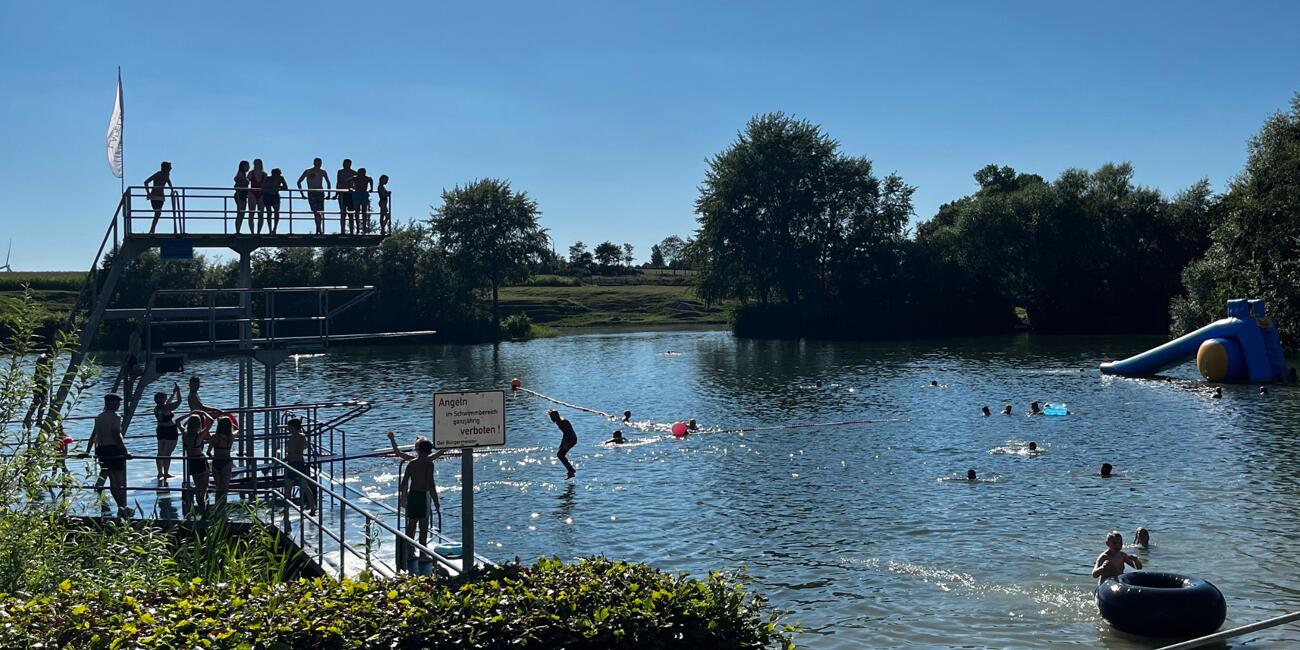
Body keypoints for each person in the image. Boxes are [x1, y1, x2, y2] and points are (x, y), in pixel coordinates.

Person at [87, 394, 131, 516]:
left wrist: (87, 450)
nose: (118, 405)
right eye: (117, 403)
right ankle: (123, 506)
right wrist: (125, 452)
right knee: (119, 481)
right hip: (113, 449)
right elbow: (116, 434)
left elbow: (93, 435)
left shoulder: (99, 417)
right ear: (110, 403)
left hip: (101, 449)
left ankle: (121, 506)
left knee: (112, 480)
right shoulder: (116, 417)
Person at [399, 439, 438, 563]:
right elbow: (431, 484)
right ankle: (422, 553)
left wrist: (403, 497)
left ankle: (409, 552)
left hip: (413, 494)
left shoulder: (411, 463)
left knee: (411, 524)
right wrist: (436, 501)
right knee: (423, 526)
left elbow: (404, 483)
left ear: (418, 450)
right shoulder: (429, 464)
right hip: (423, 495)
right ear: (428, 452)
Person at [181, 413, 211, 517]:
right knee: (204, 488)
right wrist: (203, 413)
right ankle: (205, 509)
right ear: (198, 424)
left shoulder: (185, 433)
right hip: (200, 460)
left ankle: (202, 509)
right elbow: (211, 421)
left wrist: (188, 415)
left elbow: (177, 422)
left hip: (191, 461)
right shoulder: (199, 435)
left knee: (198, 487)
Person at [284, 418, 316, 515]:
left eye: (289, 427)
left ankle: (286, 508)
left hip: (292, 464)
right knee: (305, 486)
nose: (288, 429)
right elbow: (305, 446)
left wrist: (280, 462)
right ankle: (313, 507)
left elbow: (289, 455)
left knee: (288, 487)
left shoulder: (291, 440)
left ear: (292, 427)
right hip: (301, 463)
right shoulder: (303, 437)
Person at [153, 383, 182, 480]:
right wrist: (178, 392)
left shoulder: (157, 408)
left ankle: (159, 472)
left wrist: (173, 394)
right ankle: (166, 473)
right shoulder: (167, 407)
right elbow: (179, 402)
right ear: (161, 399)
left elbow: (167, 403)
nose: (166, 397)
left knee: (160, 452)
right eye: (164, 397)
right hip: (170, 430)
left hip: (160, 429)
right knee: (167, 453)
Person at [297, 158, 332, 234]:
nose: (319, 165)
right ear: (314, 163)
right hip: (311, 192)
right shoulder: (308, 171)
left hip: (320, 192)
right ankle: (318, 229)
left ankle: (318, 229)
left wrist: (329, 194)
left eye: (320, 163)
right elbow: (299, 182)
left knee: (320, 212)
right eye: (317, 163)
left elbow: (328, 182)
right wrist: (302, 194)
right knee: (315, 212)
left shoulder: (323, 172)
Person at [210, 416, 235, 512]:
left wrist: (213, 457)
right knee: (225, 488)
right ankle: (223, 508)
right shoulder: (231, 437)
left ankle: (217, 508)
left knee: (218, 487)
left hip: (216, 461)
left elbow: (208, 452)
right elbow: (237, 428)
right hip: (226, 462)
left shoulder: (214, 437)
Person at [22, 352, 52, 430]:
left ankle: (38, 420)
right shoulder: (43, 358)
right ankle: (28, 419)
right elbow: (46, 371)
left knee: (43, 401)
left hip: (42, 381)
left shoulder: (43, 358)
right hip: (40, 382)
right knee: (38, 401)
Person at [144, 162, 174, 234]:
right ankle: (152, 229)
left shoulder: (167, 175)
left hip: (160, 197)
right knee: (157, 213)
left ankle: (152, 229)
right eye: (169, 167)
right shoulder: (158, 174)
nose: (171, 168)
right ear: (166, 168)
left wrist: (172, 190)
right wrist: (148, 193)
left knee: (158, 214)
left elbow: (168, 182)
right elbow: (146, 182)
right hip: (155, 196)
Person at [548, 409, 578, 479]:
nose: (551, 419)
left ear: (556, 416)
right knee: (560, 455)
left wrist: (564, 443)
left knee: (560, 455)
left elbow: (567, 433)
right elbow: (565, 433)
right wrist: (562, 443)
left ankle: (571, 470)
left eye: (552, 417)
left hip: (571, 439)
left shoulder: (563, 422)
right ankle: (571, 470)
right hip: (569, 439)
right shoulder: (558, 422)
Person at [261, 168, 288, 234]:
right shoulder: (267, 178)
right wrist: (271, 188)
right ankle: (270, 229)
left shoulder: (281, 178)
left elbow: (286, 187)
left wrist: (278, 187)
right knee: (269, 212)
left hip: (275, 195)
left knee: (276, 211)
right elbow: (263, 187)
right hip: (267, 195)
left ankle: (274, 228)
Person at [335, 159, 356, 233]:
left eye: (347, 164)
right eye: (345, 164)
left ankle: (351, 231)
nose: (346, 165)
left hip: (351, 194)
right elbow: (338, 183)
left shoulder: (354, 173)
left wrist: (353, 190)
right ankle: (342, 230)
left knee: (351, 214)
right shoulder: (340, 172)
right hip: (342, 194)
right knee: (343, 213)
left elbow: (356, 185)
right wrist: (336, 193)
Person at [247, 159, 267, 233]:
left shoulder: (264, 174)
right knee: (251, 213)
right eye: (255, 163)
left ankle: (258, 232)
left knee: (261, 214)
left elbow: (266, 185)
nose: (257, 165)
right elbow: (246, 182)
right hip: (252, 193)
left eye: (258, 163)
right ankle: (252, 232)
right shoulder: (251, 173)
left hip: (261, 193)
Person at [352, 167, 373, 233]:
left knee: (364, 211)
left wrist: (371, 188)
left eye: (362, 173)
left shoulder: (367, 178)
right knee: (357, 211)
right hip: (357, 193)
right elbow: (348, 180)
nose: (361, 174)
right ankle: (358, 227)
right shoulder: (355, 178)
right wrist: (350, 187)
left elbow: (371, 180)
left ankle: (364, 227)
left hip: (364, 194)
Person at [233, 160, 250, 234]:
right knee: (240, 213)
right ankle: (237, 231)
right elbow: (236, 179)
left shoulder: (244, 174)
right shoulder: (241, 173)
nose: (248, 167)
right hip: (240, 194)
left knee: (241, 213)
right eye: (247, 165)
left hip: (243, 194)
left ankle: (238, 230)